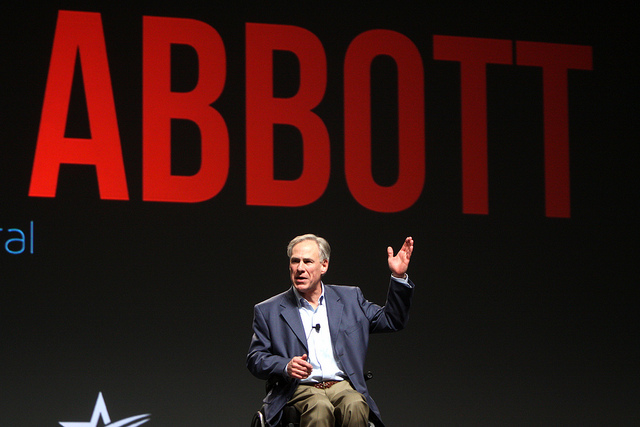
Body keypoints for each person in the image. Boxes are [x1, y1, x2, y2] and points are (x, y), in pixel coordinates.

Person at [247, 234, 415, 427]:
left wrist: (398, 277)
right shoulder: (269, 310)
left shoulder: (350, 298)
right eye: (295, 261)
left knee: (355, 404)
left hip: (341, 385)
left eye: (308, 261)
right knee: (319, 408)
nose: (300, 268)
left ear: (324, 265)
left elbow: (392, 320)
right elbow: (255, 358)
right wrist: (286, 366)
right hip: (299, 388)